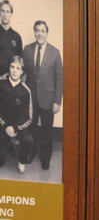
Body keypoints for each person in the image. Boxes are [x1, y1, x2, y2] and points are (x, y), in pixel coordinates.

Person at [23, 20, 63, 171]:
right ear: (34, 32)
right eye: (37, 30)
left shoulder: (55, 52)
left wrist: (57, 101)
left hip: (48, 99)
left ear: (47, 33)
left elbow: (59, 79)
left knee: (47, 131)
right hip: (31, 100)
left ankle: (45, 158)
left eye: (42, 31)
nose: (39, 33)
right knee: (32, 129)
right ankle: (32, 153)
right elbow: (23, 72)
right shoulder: (27, 49)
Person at [0, 55, 34, 173]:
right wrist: (5, 126)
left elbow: (28, 117)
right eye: (12, 67)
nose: (14, 70)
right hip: (2, 124)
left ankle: (21, 161)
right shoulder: (1, 84)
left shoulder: (26, 90)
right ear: (9, 68)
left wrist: (14, 128)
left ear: (22, 71)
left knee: (28, 140)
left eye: (18, 68)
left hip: (17, 126)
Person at [0, 0, 22, 75]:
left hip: (12, 79)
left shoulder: (17, 36)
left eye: (7, 11)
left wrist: (11, 74)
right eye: (2, 11)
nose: (5, 14)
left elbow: (20, 61)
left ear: (11, 14)